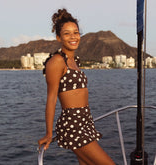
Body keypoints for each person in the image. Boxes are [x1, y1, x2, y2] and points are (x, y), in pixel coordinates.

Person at [38, 8, 115, 165]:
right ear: (59, 37)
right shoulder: (57, 62)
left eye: (76, 32)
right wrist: (48, 133)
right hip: (73, 125)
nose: (73, 37)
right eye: (67, 33)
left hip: (85, 121)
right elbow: (51, 98)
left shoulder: (74, 61)